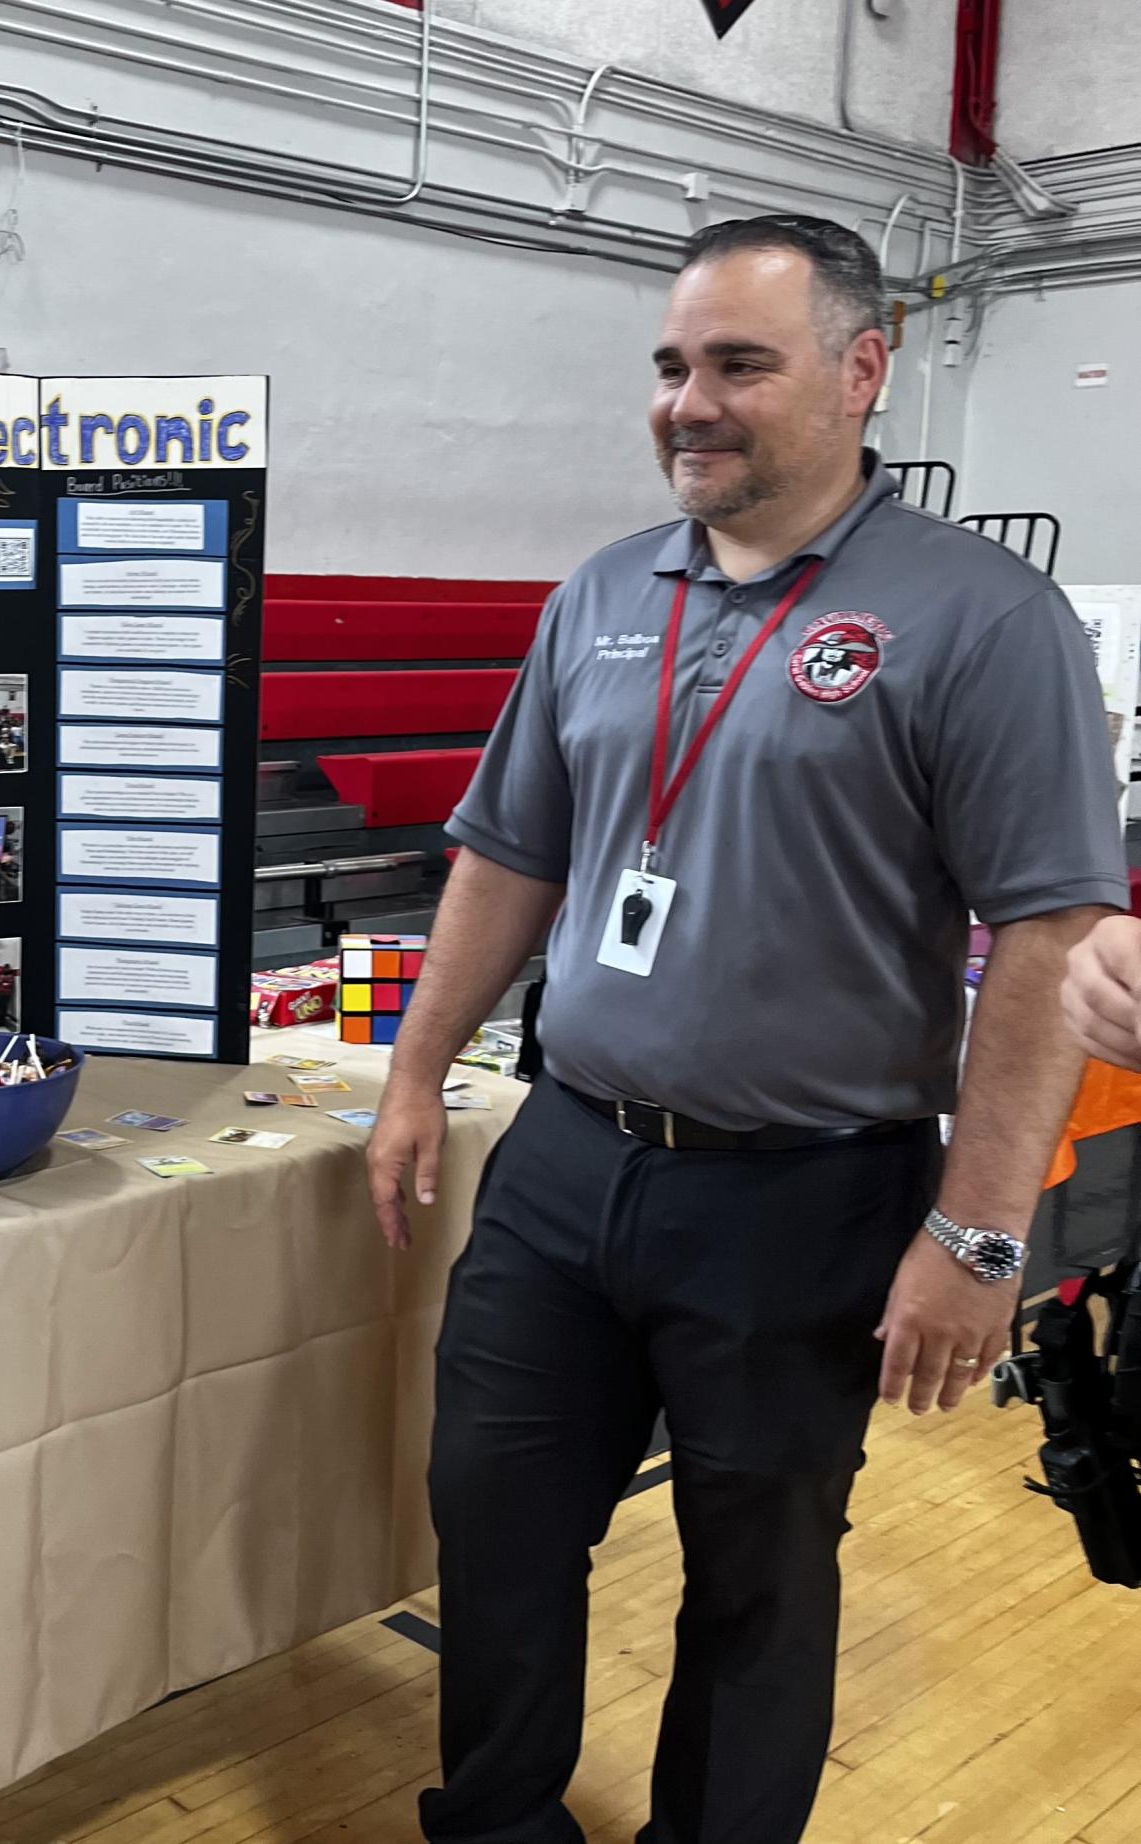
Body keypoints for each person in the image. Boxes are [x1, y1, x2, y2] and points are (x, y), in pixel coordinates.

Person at [365, 214, 1127, 1844]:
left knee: (756, 1583)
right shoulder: (597, 594)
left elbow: (1048, 939)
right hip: (566, 1158)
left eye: (736, 364)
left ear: (861, 371)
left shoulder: (982, 621)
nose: (686, 403)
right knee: (493, 1526)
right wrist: (415, 1075)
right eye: (668, 366)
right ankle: (497, 1826)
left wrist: (980, 1235)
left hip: (803, 1195)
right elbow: (508, 855)